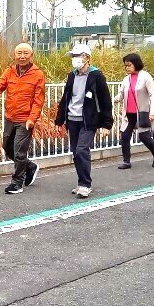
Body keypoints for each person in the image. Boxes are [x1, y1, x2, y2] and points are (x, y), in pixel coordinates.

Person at [0, 43, 46, 194]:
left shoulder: (38, 74)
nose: (22, 56)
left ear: (31, 55)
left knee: (19, 151)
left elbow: (38, 100)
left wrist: (32, 119)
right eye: (19, 53)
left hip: (25, 119)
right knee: (7, 147)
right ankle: (30, 166)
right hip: (10, 117)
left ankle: (17, 183)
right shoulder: (10, 71)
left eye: (25, 53)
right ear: (14, 55)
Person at [54, 44, 114, 198]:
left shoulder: (96, 76)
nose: (75, 59)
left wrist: (107, 124)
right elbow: (66, 98)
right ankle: (81, 182)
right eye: (73, 56)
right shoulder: (72, 75)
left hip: (88, 120)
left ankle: (86, 184)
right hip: (72, 119)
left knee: (81, 150)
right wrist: (59, 120)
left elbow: (105, 101)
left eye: (78, 56)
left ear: (87, 58)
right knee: (76, 153)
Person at [114, 53, 154, 169]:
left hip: (142, 113)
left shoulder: (145, 77)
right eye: (125, 66)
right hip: (129, 114)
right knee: (125, 136)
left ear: (136, 64)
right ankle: (126, 162)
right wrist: (117, 98)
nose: (127, 68)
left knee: (144, 137)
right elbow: (121, 93)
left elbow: (153, 95)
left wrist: (153, 112)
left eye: (129, 65)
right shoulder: (126, 79)